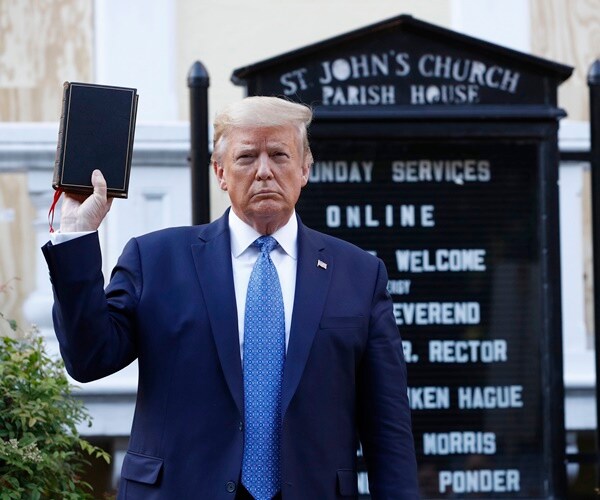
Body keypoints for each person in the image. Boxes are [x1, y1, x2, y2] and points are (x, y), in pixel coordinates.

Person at [42, 96, 418, 499]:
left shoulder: (358, 274)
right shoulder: (156, 260)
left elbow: (388, 428)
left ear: (305, 169)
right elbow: (88, 358)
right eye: (246, 157)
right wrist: (77, 236)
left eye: (279, 155)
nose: (264, 172)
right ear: (220, 172)